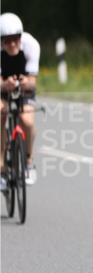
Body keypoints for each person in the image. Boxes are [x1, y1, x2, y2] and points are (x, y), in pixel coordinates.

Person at [1, 12, 40, 189]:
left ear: (21, 36)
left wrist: (25, 83)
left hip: (24, 87)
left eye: (15, 38)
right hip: (3, 85)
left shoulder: (31, 45)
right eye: (6, 40)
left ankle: (28, 161)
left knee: (27, 120)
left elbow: (33, 82)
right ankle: (1, 168)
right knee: (0, 113)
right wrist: (4, 85)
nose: (12, 44)